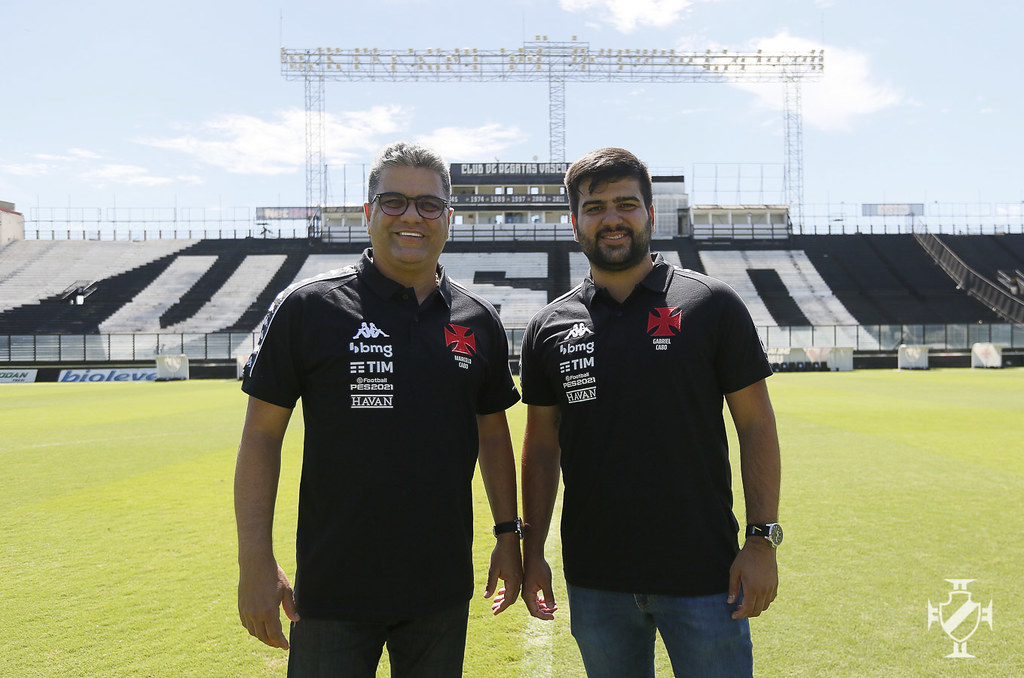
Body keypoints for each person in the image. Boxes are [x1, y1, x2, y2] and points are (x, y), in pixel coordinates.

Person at [234, 141, 523, 677]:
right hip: (332, 591)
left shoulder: (478, 319)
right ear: (368, 212)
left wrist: (509, 534)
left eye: (429, 204)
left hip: (439, 591)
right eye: (394, 201)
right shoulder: (309, 307)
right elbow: (262, 435)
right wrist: (254, 558)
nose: (412, 216)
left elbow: (493, 435)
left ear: (448, 218)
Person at [518, 147, 782, 678]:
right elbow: (542, 445)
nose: (611, 219)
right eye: (594, 208)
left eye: (626, 204)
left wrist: (761, 539)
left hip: (704, 573)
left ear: (650, 214)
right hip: (596, 579)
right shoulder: (549, 326)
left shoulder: (711, 304)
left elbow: (756, 424)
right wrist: (533, 551)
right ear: (574, 222)